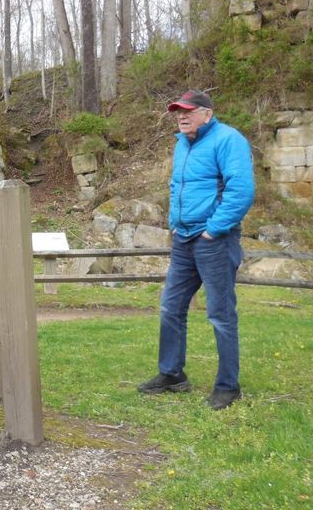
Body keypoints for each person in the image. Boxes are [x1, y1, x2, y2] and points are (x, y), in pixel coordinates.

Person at [138, 89, 255, 410]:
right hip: (184, 239)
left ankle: (228, 386)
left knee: (220, 314)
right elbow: (177, 186)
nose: (181, 116)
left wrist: (213, 230)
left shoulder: (228, 140)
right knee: (170, 307)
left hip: (215, 241)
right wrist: (174, 223)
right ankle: (172, 374)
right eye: (178, 112)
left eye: (188, 111)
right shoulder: (182, 144)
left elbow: (241, 191)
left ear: (207, 113)